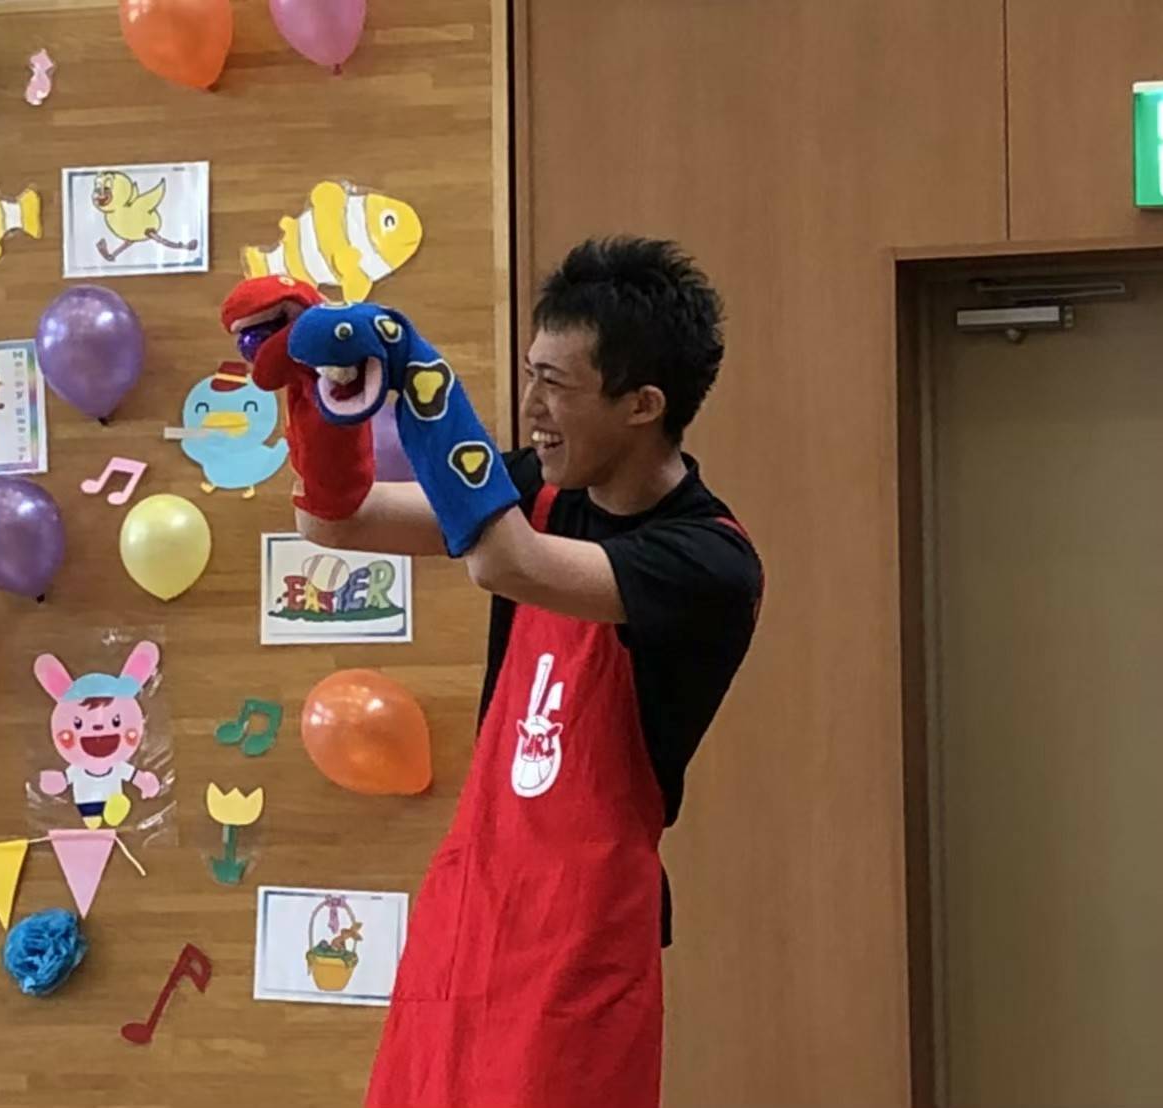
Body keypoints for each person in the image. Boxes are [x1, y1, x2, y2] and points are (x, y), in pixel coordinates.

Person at [221, 237, 762, 1108]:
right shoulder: (539, 492)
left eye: (557, 384)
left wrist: (417, 372)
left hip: (580, 935)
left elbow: (509, 563)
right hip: (471, 906)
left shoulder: (709, 560)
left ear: (642, 405)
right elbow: (338, 521)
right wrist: (322, 389)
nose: (533, 408)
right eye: (529, 374)